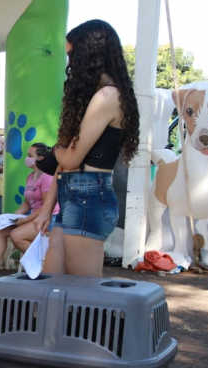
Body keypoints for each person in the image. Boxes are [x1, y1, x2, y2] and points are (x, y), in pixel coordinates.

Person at [33, 19, 140, 277]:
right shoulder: (100, 96)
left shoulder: (108, 97)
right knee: (54, 286)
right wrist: (47, 209)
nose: (70, 64)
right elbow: (65, 163)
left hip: (88, 197)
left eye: (72, 55)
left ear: (88, 54)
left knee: (84, 298)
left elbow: (69, 159)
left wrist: (57, 149)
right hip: (76, 196)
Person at [0, 143, 58, 278]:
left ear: (40, 158)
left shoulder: (47, 177)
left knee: (17, 235)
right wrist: (12, 217)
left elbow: (47, 206)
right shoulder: (31, 176)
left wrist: (26, 220)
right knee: (2, 231)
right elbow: (27, 203)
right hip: (34, 218)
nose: (27, 159)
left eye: (30, 156)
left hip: (48, 220)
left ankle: (44, 265)